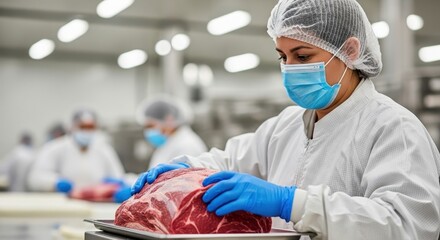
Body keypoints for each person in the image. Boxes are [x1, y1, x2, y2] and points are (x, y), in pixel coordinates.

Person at [131, 0, 440, 239]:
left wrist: (291, 203)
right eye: (283, 56)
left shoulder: (393, 127)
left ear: (349, 50)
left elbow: (408, 225)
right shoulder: (287, 125)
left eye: (302, 56)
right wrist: (185, 170)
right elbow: (229, 161)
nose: (290, 67)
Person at [28, 109, 130, 202]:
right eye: (82, 127)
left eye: (91, 127)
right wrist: (55, 183)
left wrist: (118, 184)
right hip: (64, 205)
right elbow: (35, 177)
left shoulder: (104, 150)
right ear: (72, 127)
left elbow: (118, 177)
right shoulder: (55, 148)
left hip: (97, 206)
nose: (87, 131)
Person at [136, 96, 207, 170]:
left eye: (151, 126)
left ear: (169, 119)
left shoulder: (187, 145)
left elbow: (185, 179)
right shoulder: (168, 143)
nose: (148, 131)